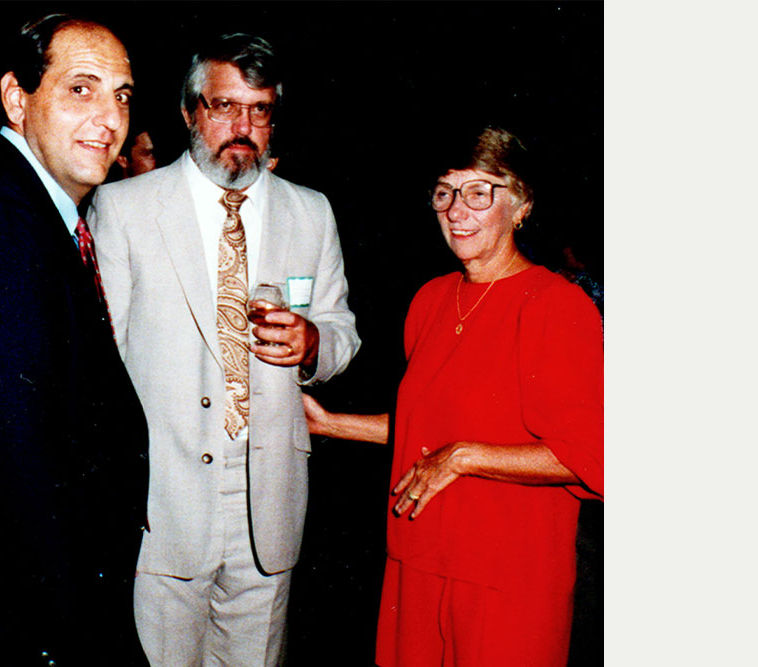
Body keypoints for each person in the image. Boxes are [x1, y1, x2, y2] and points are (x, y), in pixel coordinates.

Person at [91, 32, 360, 666]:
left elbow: (343, 329)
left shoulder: (311, 212)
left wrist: (316, 340)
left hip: (268, 508)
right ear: (189, 113)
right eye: (223, 107)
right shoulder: (124, 208)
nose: (242, 126)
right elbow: (101, 364)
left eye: (259, 110)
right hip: (162, 509)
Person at [303, 126, 603, 666]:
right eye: (445, 192)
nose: (457, 210)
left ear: (521, 205)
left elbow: (594, 455)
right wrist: (329, 423)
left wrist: (465, 458)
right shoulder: (431, 300)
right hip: (416, 562)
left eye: (479, 192)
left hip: (507, 581)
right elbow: (428, 425)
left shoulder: (557, 306)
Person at [0, 14, 149, 665]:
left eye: (123, 94)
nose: (110, 118)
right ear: (17, 98)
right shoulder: (3, 227)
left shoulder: (31, 209)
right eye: (82, 88)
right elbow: (14, 459)